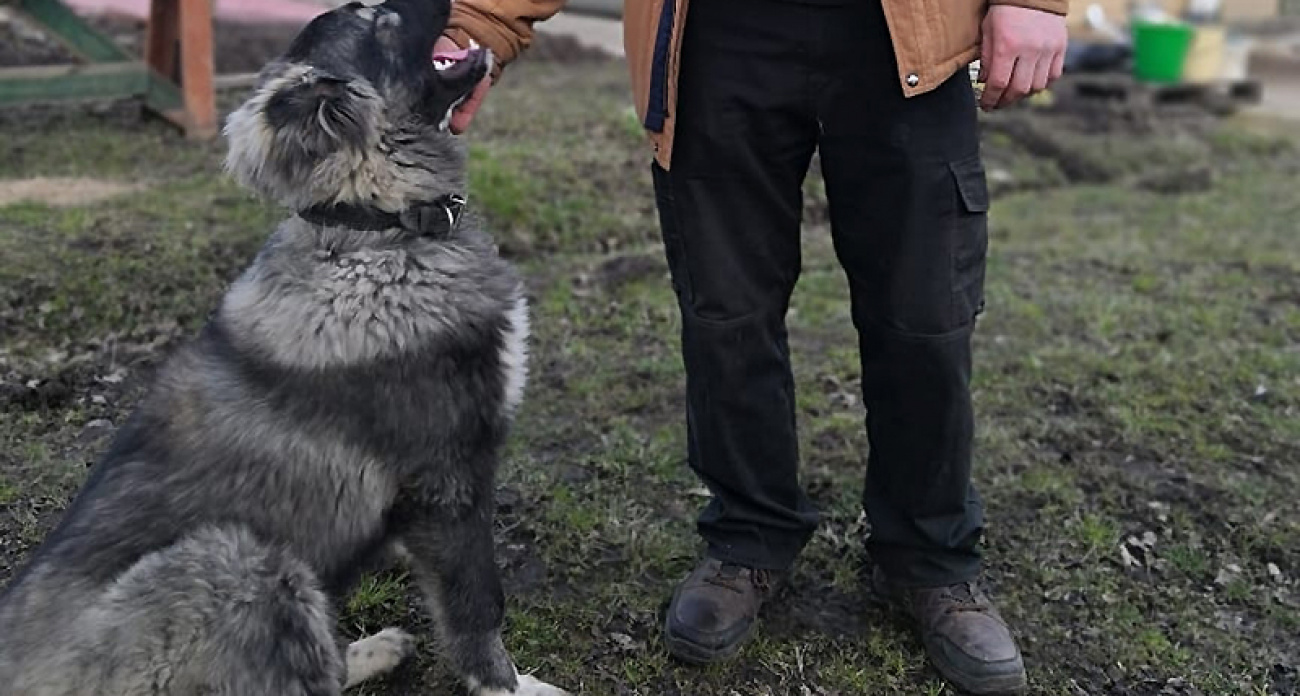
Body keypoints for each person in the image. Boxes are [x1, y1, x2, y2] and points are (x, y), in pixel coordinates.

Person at [438, 0, 1067, 692]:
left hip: (909, 33)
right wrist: (479, 20)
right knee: (725, 312)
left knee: (924, 316)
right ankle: (749, 534)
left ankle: (931, 555)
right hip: (715, 37)